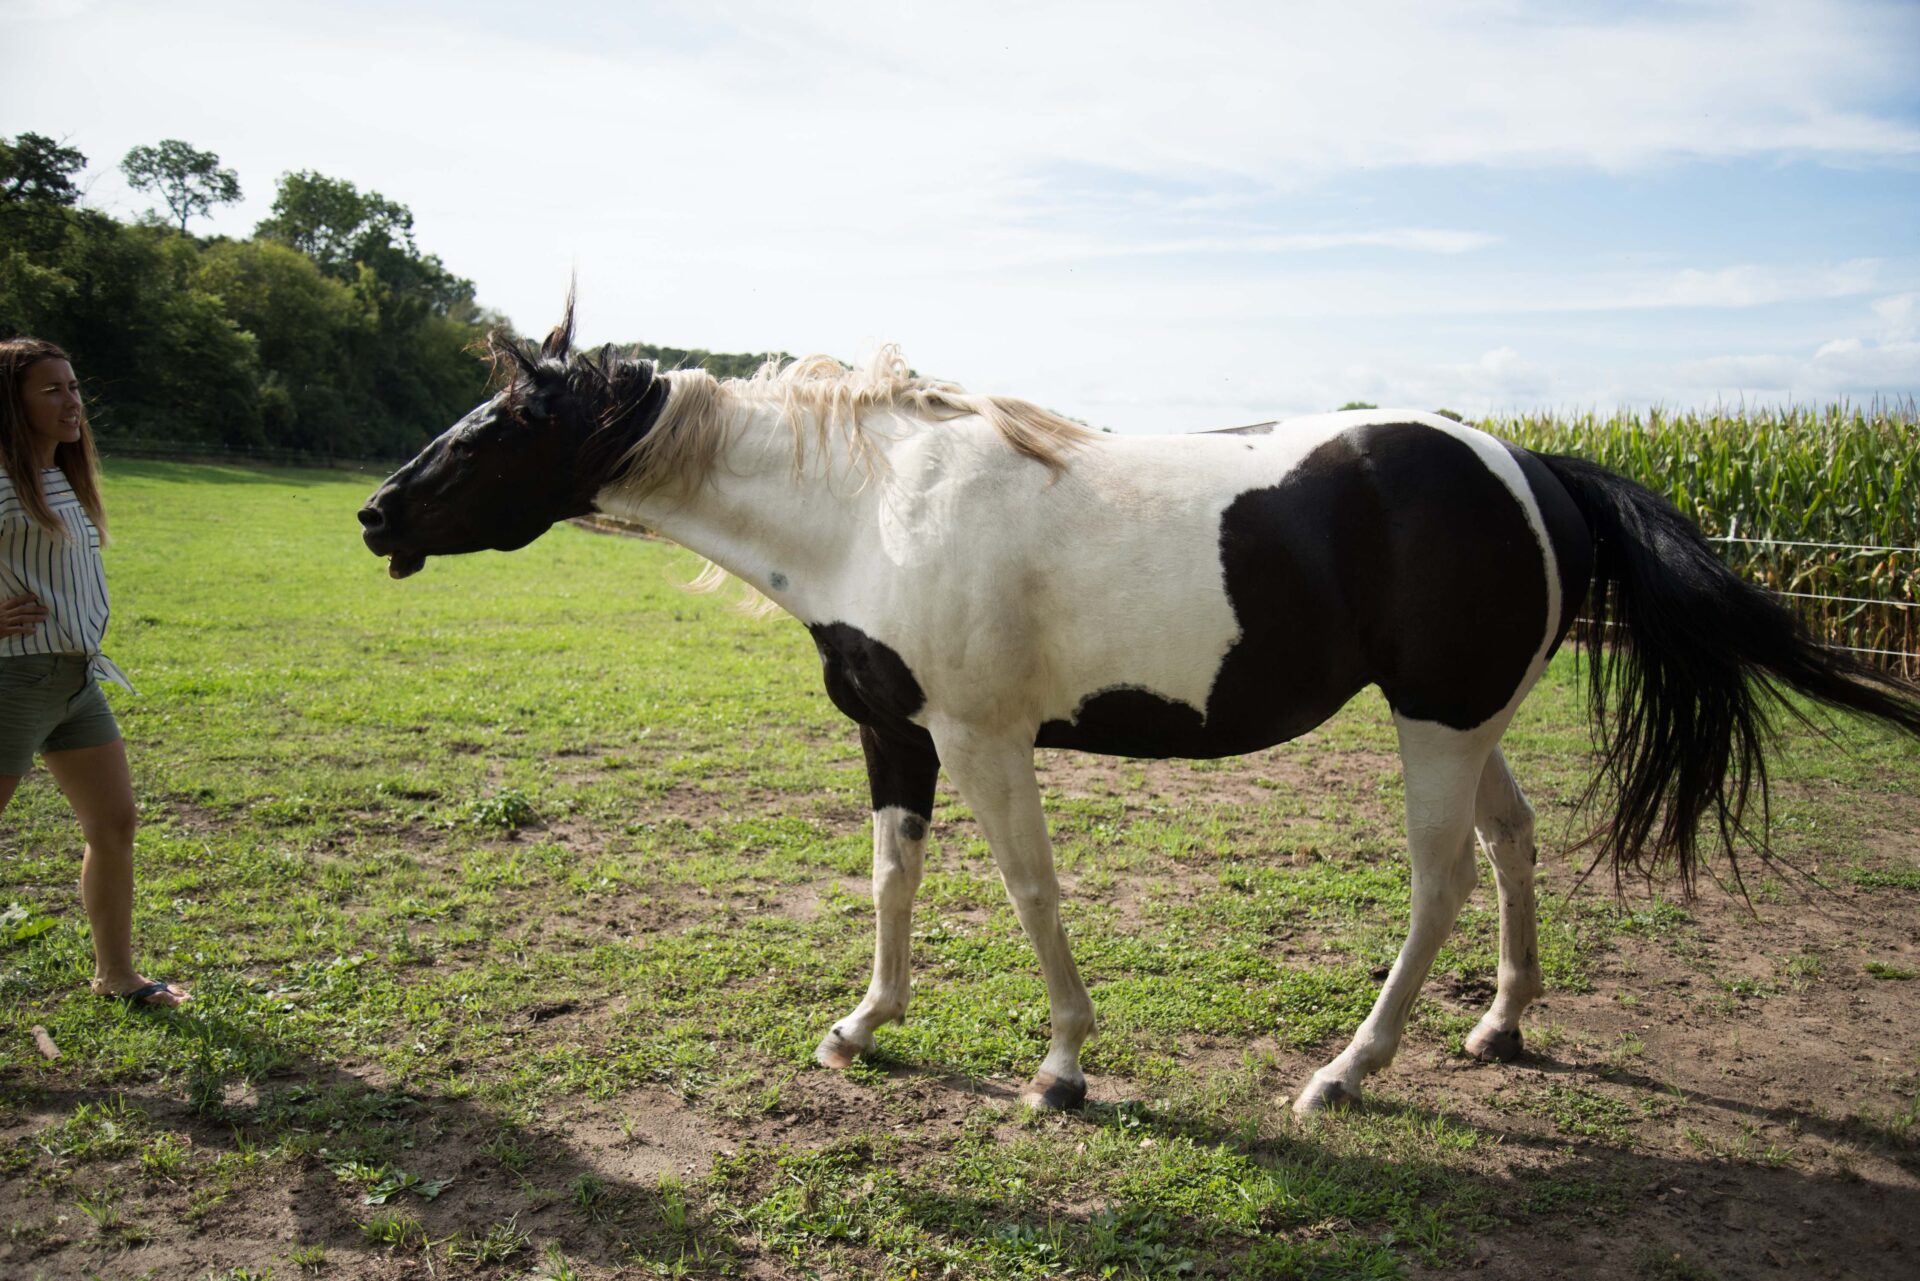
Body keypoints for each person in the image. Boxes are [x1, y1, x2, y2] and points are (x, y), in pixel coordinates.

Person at [1, 337, 187, 1007]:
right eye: (51, 390)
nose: (72, 401)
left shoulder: (56, 477)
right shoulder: (1, 478)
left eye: (74, 387)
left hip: (77, 681)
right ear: (11, 404)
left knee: (114, 824)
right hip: (14, 680)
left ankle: (116, 975)